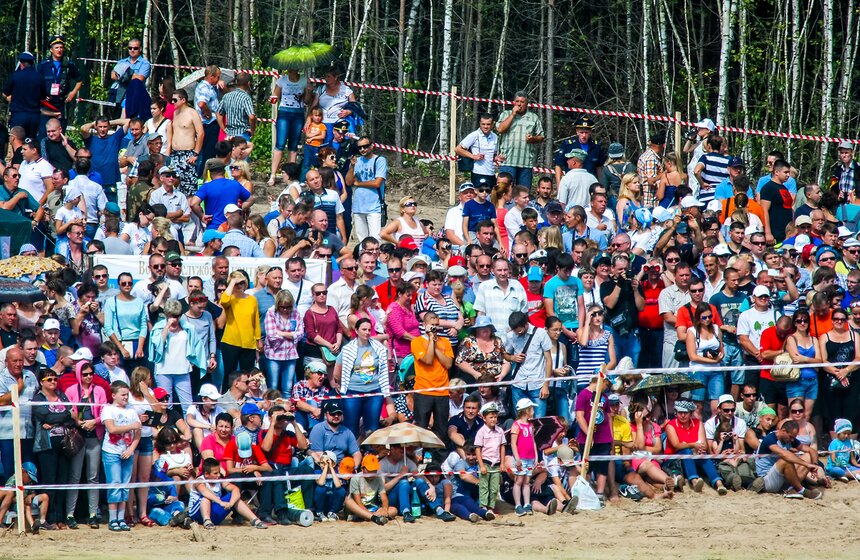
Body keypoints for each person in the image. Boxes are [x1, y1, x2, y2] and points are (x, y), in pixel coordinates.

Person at [64, 360, 106, 529]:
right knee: (74, 476)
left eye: (91, 374)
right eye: (85, 374)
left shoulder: (100, 390)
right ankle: (70, 514)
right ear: (79, 374)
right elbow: (68, 412)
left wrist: (94, 422)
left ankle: (93, 514)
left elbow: (104, 412)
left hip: (94, 436)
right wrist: (78, 421)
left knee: (93, 477)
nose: (88, 377)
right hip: (78, 436)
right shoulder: (71, 390)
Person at [333, 317, 391, 438]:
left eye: (369, 330)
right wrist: (340, 384)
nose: (367, 332)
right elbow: (337, 371)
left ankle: (370, 450)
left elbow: (383, 370)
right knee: (351, 427)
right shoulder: (347, 349)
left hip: (374, 392)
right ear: (356, 330)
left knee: (372, 429)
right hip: (353, 392)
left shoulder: (379, 348)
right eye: (364, 329)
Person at [31, 367, 73, 529]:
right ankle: (50, 517)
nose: (53, 382)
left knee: (62, 481)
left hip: (65, 444)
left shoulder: (62, 395)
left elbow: (71, 416)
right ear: (41, 382)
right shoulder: (38, 398)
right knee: (50, 482)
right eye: (49, 379)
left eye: (55, 379)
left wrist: (54, 421)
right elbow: (44, 415)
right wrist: (61, 417)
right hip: (46, 445)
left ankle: (61, 517)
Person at [101, 380, 141, 532]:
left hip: (127, 451)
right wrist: (132, 426)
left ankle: (121, 518)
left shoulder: (131, 410)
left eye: (127, 394)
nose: (126, 397)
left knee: (124, 485)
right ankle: (112, 519)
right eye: (123, 394)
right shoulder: (108, 409)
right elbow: (111, 428)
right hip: (111, 451)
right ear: (113, 395)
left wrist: (131, 449)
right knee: (115, 484)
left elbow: (138, 433)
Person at [411, 311, 455, 446]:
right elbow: (428, 360)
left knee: (441, 430)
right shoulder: (416, 342)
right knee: (421, 428)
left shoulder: (445, 342)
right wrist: (431, 339)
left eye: (437, 325)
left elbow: (448, 364)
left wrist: (435, 346)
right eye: (432, 325)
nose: (434, 328)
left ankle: (439, 456)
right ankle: (421, 455)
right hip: (423, 391)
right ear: (424, 325)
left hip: (442, 391)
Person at [190, 457, 268, 529]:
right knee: (206, 498)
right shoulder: (199, 481)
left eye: (219, 472)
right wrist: (220, 502)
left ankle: (255, 520)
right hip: (197, 515)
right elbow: (206, 493)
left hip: (214, 514)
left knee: (234, 497)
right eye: (215, 473)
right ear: (206, 474)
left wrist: (231, 503)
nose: (218, 475)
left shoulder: (220, 480)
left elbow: (235, 489)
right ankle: (207, 521)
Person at [754, 420, 821, 498]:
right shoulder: (770, 439)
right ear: (783, 431)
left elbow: (811, 450)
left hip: (780, 476)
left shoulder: (789, 439)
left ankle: (792, 489)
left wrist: (814, 465)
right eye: (791, 437)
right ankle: (801, 490)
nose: (792, 440)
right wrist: (806, 465)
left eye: (794, 437)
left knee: (808, 456)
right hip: (766, 479)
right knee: (785, 460)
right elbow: (785, 455)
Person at [504, 311, 552, 417]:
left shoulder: (540, 333)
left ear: (526, 324)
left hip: (537, 384)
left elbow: (548, 360)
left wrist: (546, 385)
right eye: (515, 331)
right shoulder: (510, 336)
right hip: (518, 384)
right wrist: (513, 358)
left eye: (520, 330)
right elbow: (506, 355)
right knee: (520, 420)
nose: (517, 333)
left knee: (538, 420)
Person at [269, 69, 313, 183]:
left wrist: (308, 91)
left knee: (293, 146)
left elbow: (307, 101)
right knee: (280, 144)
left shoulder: (304, 80)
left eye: (292, 67)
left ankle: (290, 176)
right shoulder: (282, 80)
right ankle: (273, 174)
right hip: (284, 112)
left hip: (298, 113)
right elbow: (274, 97)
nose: (290, 70)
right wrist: (272, 99)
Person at [496, 91, 544, 186]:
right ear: (514, 102)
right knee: (503, 190)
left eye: (522, 102)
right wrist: (512, 115)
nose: (519, 104)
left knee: (523, 192)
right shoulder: (506, 114)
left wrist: (533, 138)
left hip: (526, 163)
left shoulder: (534, 117)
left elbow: (541, 137)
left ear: (527, 104)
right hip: (507, 161)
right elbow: (500, 129)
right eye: (517, 101)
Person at [686, 302, 725, 416]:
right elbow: (692, 356)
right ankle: (699, 427)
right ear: (698, 317)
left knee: (716, 407)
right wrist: (713, 361)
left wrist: (719, 357)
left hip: (716, 371)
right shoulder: (692, 331)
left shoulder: (716, 329)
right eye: (704, 317)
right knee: (698, 407)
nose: (707, 319)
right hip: (698, 370)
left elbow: (721, 349)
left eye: (710, 316)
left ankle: (714, 427)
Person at [220, 271, 261, 377]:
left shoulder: (252, 300)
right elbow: (223, 301)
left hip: (248, 343)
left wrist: (258, 340)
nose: (239, 285)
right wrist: (232, 282)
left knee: (247, 375)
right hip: (231, 342)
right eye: (236, 284)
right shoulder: (230, 298)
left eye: (241, 283)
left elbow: (256, 321)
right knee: (229, 375)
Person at [346, 137, 387, 241]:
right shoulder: (357, 161)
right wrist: (352, 166)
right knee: (362, 240)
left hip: (374, 206)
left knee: (375, 238)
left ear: (371, 146)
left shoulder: (379, 160)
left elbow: (377, 183)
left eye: (365, 146)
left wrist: (359, 183)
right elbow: (348, 182)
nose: (362, 149)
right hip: (358, 206)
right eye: (360, 147)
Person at [169, 90, 204, 196]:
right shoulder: (175, 113)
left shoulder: (192, 113)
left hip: (188, 154)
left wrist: (196, 154)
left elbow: (201, 133)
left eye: (175, 100)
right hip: (175, 154)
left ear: (183, 100)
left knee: (189, 188)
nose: (172, 102)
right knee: (174, 187)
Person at [2, 52, 46, 138]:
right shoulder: (40, 77)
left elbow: (5, 93)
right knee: (31, 141)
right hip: (34, 116)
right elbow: (43, 97)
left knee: (17, 140)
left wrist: (9, 98)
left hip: (18, 115)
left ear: (21, 64)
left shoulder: (15, 76)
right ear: (32, 64)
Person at [574, 304, 617, 392]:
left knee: (601, 401)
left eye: (600, 314)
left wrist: (600, 372)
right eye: (594, 315)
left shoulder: (608, 335)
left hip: (600, 378)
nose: (597, 318)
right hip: (583, 378)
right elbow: (583, 343)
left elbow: (613, 361)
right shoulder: (580, 331)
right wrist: (587, 322)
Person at [510, 398, 539, 516]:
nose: (533, 411)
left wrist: (536, 457)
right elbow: (513, 443)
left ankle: (527, 504)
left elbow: (533, 441)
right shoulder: (516, 425)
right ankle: (518, 505)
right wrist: (517, 458)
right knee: (518, 480)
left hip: (530, 457)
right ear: (526, 411)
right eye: (532, 409)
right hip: (521, 458)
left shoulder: (530, 425)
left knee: (527, 481)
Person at [456, 113, 499, 186]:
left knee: (492, 193)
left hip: (491, 173)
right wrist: (473, 156)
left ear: (492, 124)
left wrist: (497, 158)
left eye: (488, 124)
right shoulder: (474, 135)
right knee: (480, 193)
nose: (485, 126)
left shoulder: (495, 137)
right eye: (483, 124)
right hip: (478, 172)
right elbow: (458, 149)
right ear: (480, 124)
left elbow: (493, 155)